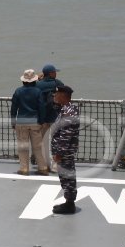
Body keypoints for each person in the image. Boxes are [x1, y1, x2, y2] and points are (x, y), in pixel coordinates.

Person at [10, 69, 48, 175]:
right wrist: (41, 121)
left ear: (23, 81)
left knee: (23, 147)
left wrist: (13, 122)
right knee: (38, 147)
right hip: (35, 122)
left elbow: (14, 108)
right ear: (34, 80)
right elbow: (41, 108)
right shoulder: (38, 92)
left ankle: (24, 169)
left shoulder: (18, 91)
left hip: (21, 123)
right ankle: (43, 168)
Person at [50, 85, 80, 214]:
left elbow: (65, 136)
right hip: (64, 151)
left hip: (65, 152)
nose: (54, 97)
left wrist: (59, 153)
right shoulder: (67, 110)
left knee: (67, 176)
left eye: (56, 94)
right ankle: (68, 201)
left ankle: (70, 204)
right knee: (65, 176)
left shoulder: (68, 112)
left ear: (63, 96)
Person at [36, 64, 63, 169]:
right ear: (51, 73)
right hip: (54, 116)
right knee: (56, 140)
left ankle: (43, 163)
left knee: (43, 140)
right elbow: (66, 91)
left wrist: (38, 78)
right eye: (54, 72)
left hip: (41, 118)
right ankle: (56, 163)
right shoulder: (57, 83)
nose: (56, 73)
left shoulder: (37, 85)